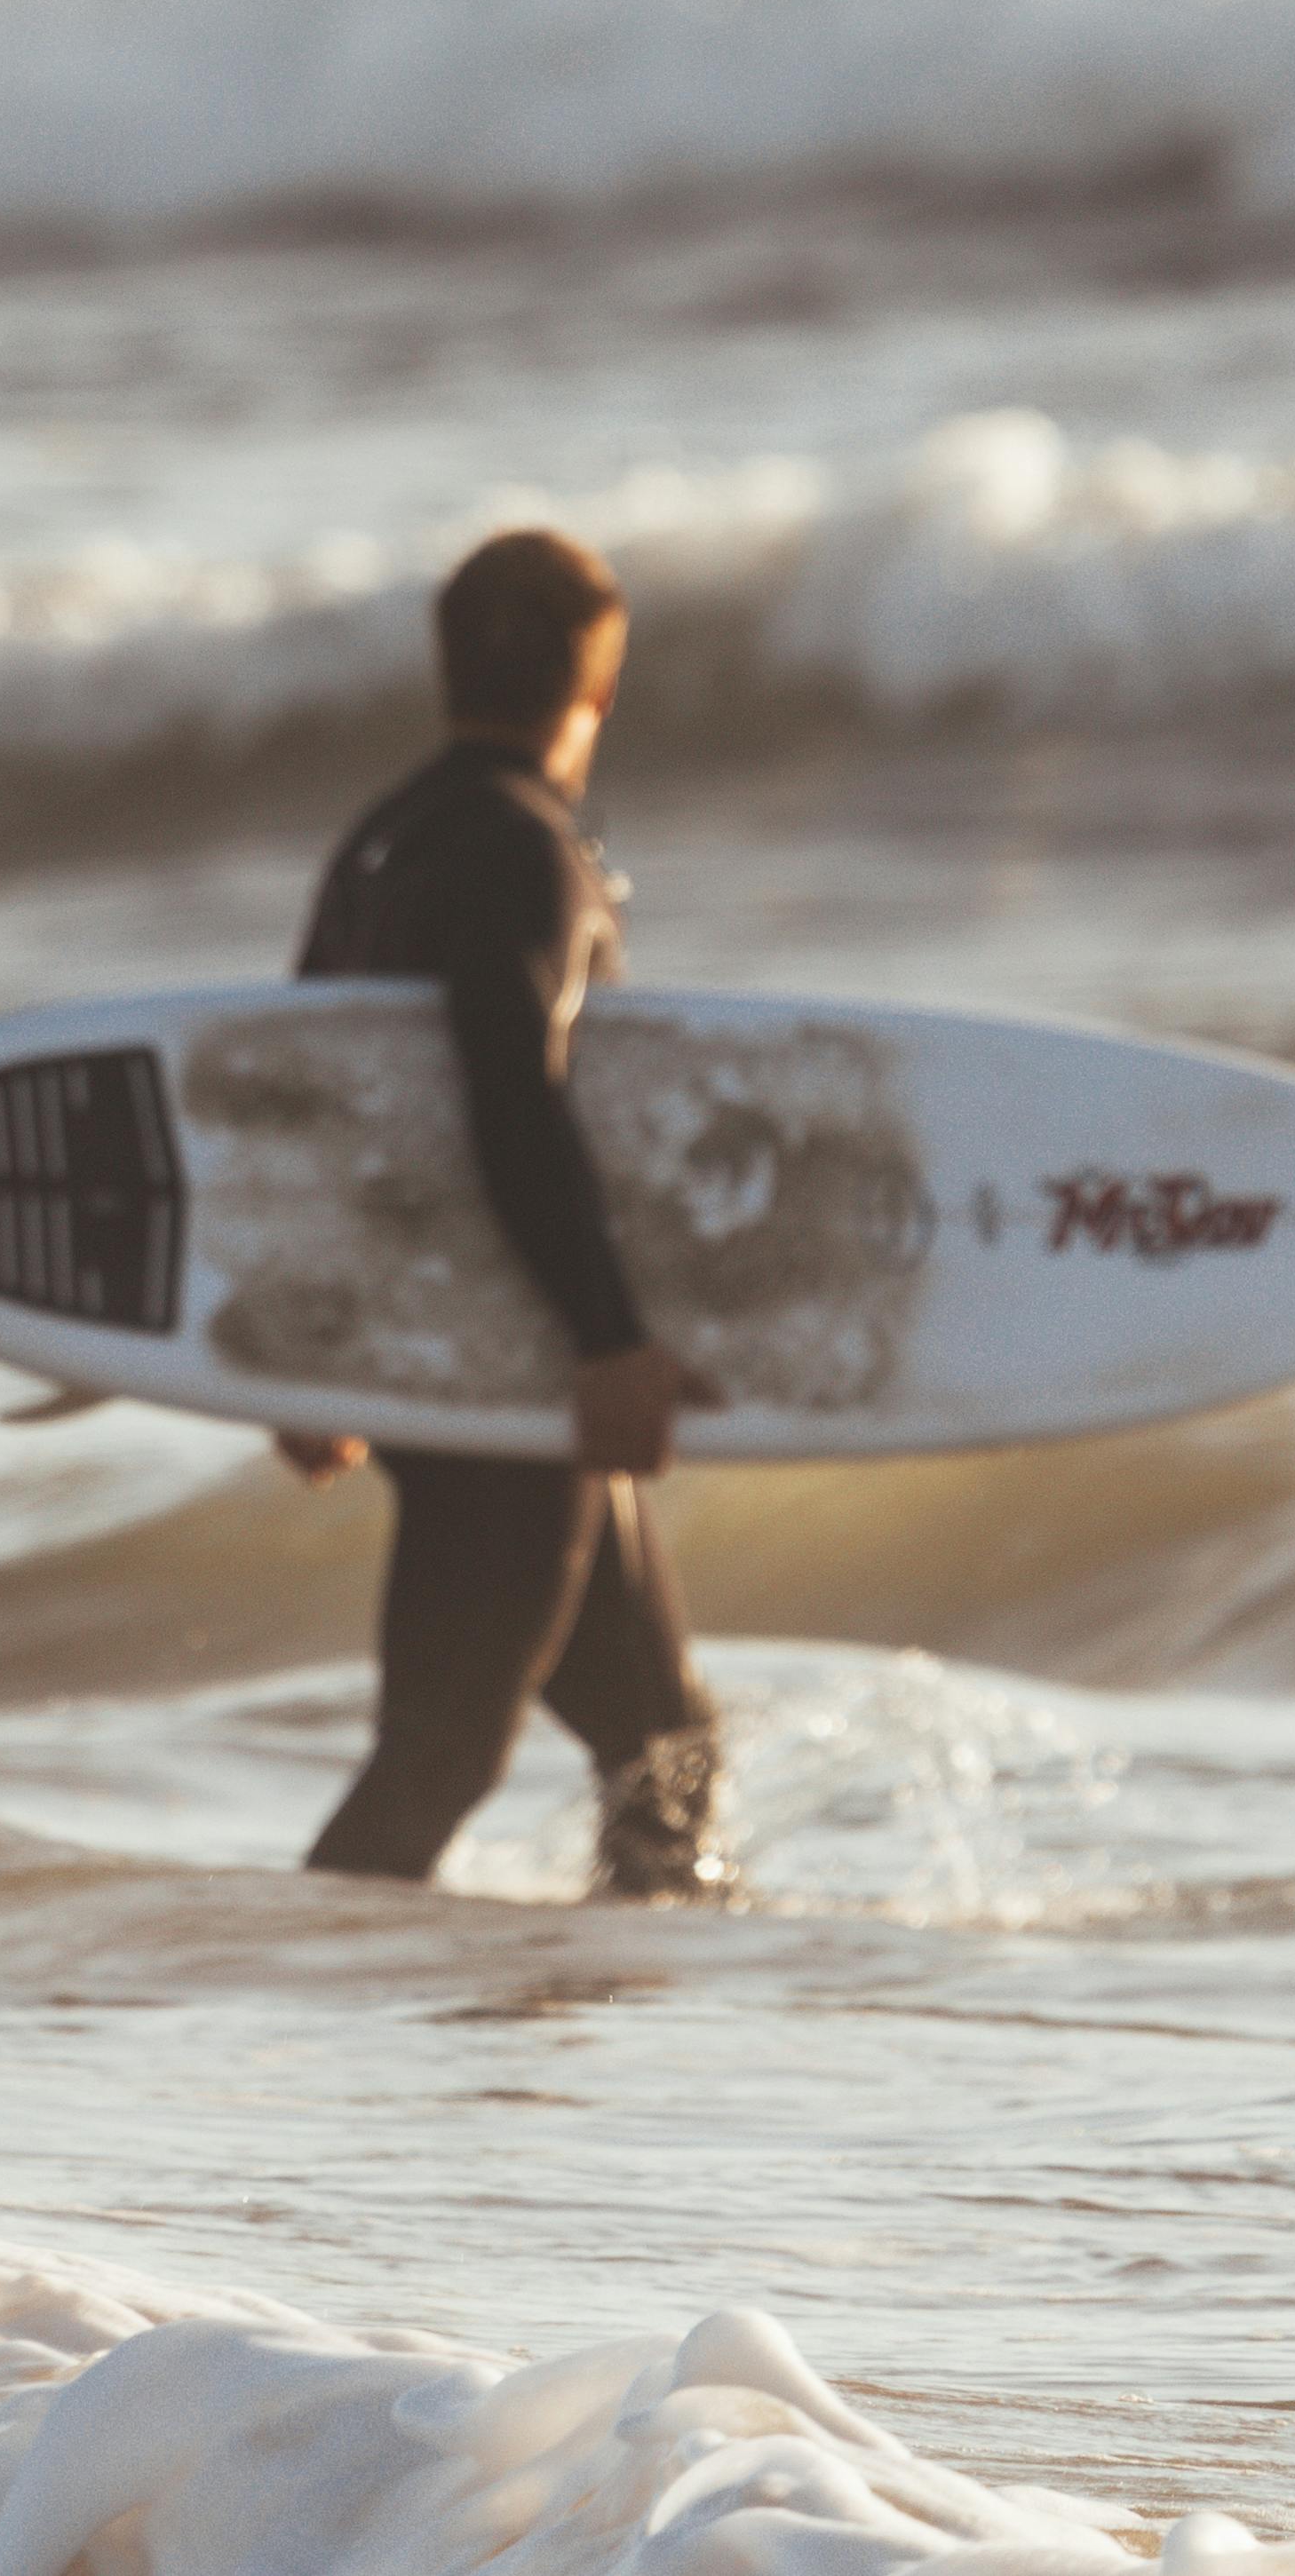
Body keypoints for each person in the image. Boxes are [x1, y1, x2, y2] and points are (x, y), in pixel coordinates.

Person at [276, 529, 729, 1901]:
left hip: (442, 1347)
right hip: (503, 1358)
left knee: (663, 1746)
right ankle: (288, 2035)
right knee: (438, 1756)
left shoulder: (379, 845)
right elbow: (509, 1100)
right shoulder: (526, 851)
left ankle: (608, 2047)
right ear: (590, 692)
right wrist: (604, 1339)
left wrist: (309, 1345)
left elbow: (306, 1107)